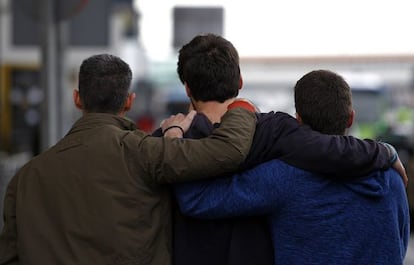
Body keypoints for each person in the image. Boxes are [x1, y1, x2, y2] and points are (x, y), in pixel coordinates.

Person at [153, 33, 407, 265]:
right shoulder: (394, 178)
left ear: (298, 119)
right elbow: (400, 242)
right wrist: (385, 150)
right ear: (351, 118)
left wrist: (174, 139)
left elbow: (198, 200)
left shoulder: (282, 177)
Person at [0, 54, 260, 265]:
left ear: (77, 99)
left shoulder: (25, 178)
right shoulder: (145, 153)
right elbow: (228, 149)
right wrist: (242, 107)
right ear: (129, 101)